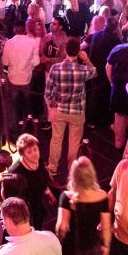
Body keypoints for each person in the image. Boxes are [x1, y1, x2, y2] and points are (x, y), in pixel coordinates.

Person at [44, 37, 96, 178]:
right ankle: (71, 169)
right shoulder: (82, 70)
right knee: (74, 143)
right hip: (77, 112)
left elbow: (48, 93)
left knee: (56, 139)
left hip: (59, 110)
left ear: (65, 51)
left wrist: (52, 103)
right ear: (78, 52)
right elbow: (94, 72)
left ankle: (52, 168)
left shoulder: (55, 68)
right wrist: (86, 59)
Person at [2, 20, 41, 137]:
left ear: (14, 29)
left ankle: (14, 129)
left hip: (13, 79)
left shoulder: (9, 43)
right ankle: (26, 127)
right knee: (26, 103)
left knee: (14, 104)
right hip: (26, 79)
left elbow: (5, 62)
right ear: (25, 29)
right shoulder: (31, 43)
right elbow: (36, 62)